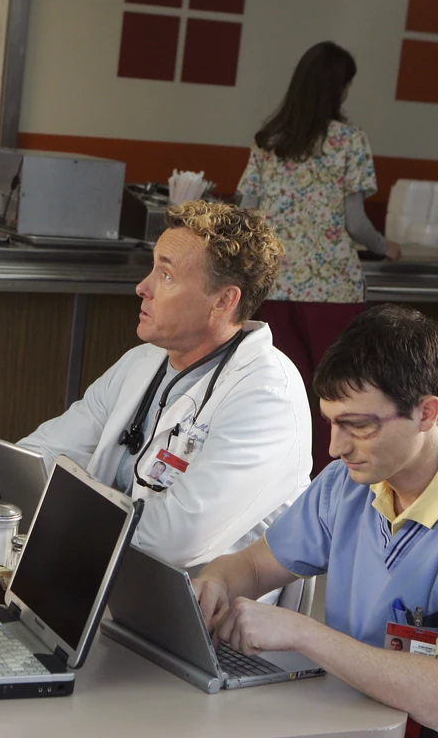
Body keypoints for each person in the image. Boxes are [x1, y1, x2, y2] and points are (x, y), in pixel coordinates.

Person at [193, 305, 438, 737]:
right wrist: (216, 583)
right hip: (364, 700)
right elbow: (254, 565)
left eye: (358, 426)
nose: (335, 448)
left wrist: (301, 633)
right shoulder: (349, 481)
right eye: (331, 423)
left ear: (426, 413)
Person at [19, 201, 311, 571]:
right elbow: (43, 455)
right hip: (101, 567)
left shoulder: (268, 396)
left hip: (197, 598)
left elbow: (175, 540)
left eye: (167, 276)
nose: (143, 287)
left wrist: (63, 520)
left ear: (224, 301)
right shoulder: (143, 362)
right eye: (152, 269)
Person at [238, 40, 401, 476]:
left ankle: (281, 480)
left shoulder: (268, 141)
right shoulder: (349, 141)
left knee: (281, 390)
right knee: (340, 394)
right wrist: (385, 246)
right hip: (333, 288)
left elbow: (247, 214)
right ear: (340, 88)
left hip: (273, 284)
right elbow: (355, 222)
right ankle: (331, 483)